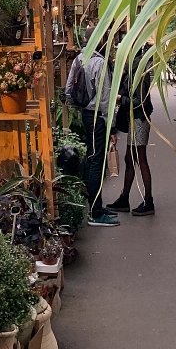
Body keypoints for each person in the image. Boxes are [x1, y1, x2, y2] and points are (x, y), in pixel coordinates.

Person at [65, 33, 120, 227]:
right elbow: (105, 99)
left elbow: (68, 90)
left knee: (92, 158)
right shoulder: (100, 63)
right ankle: (95, 213)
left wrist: (80, 108)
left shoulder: (78, 59)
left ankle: (97, 206)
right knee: (96, 162)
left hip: (87, 115)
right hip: (99, 118)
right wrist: (112, 126)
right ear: (101, 41)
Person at [107, 58, 154, 216]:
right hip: (135, 120)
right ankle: (126, 198)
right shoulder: (132, 72)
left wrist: (121, 99)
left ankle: (147, 201)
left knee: (139, 158)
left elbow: (141, 102)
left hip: (139, 120)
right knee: (131, 159)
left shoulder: (139, 74)